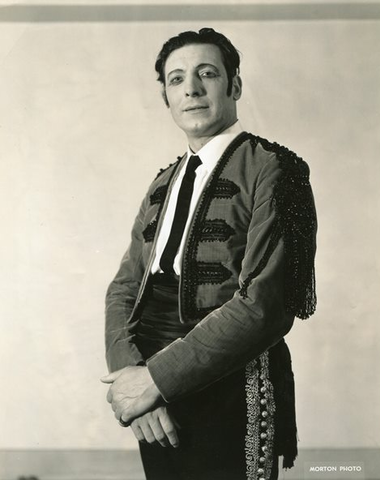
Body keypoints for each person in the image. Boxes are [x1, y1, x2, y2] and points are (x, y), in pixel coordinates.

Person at [101, 27, 317, 480]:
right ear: (166, 96)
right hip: (152, 398)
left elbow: (264, 305)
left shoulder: (277, 169)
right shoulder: (162, 181)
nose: (192, 89)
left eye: (207, 74)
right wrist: (131, 381)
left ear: (234, 85)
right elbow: (124, 289)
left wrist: (154, 380)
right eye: (177, 79)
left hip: (233, 384)